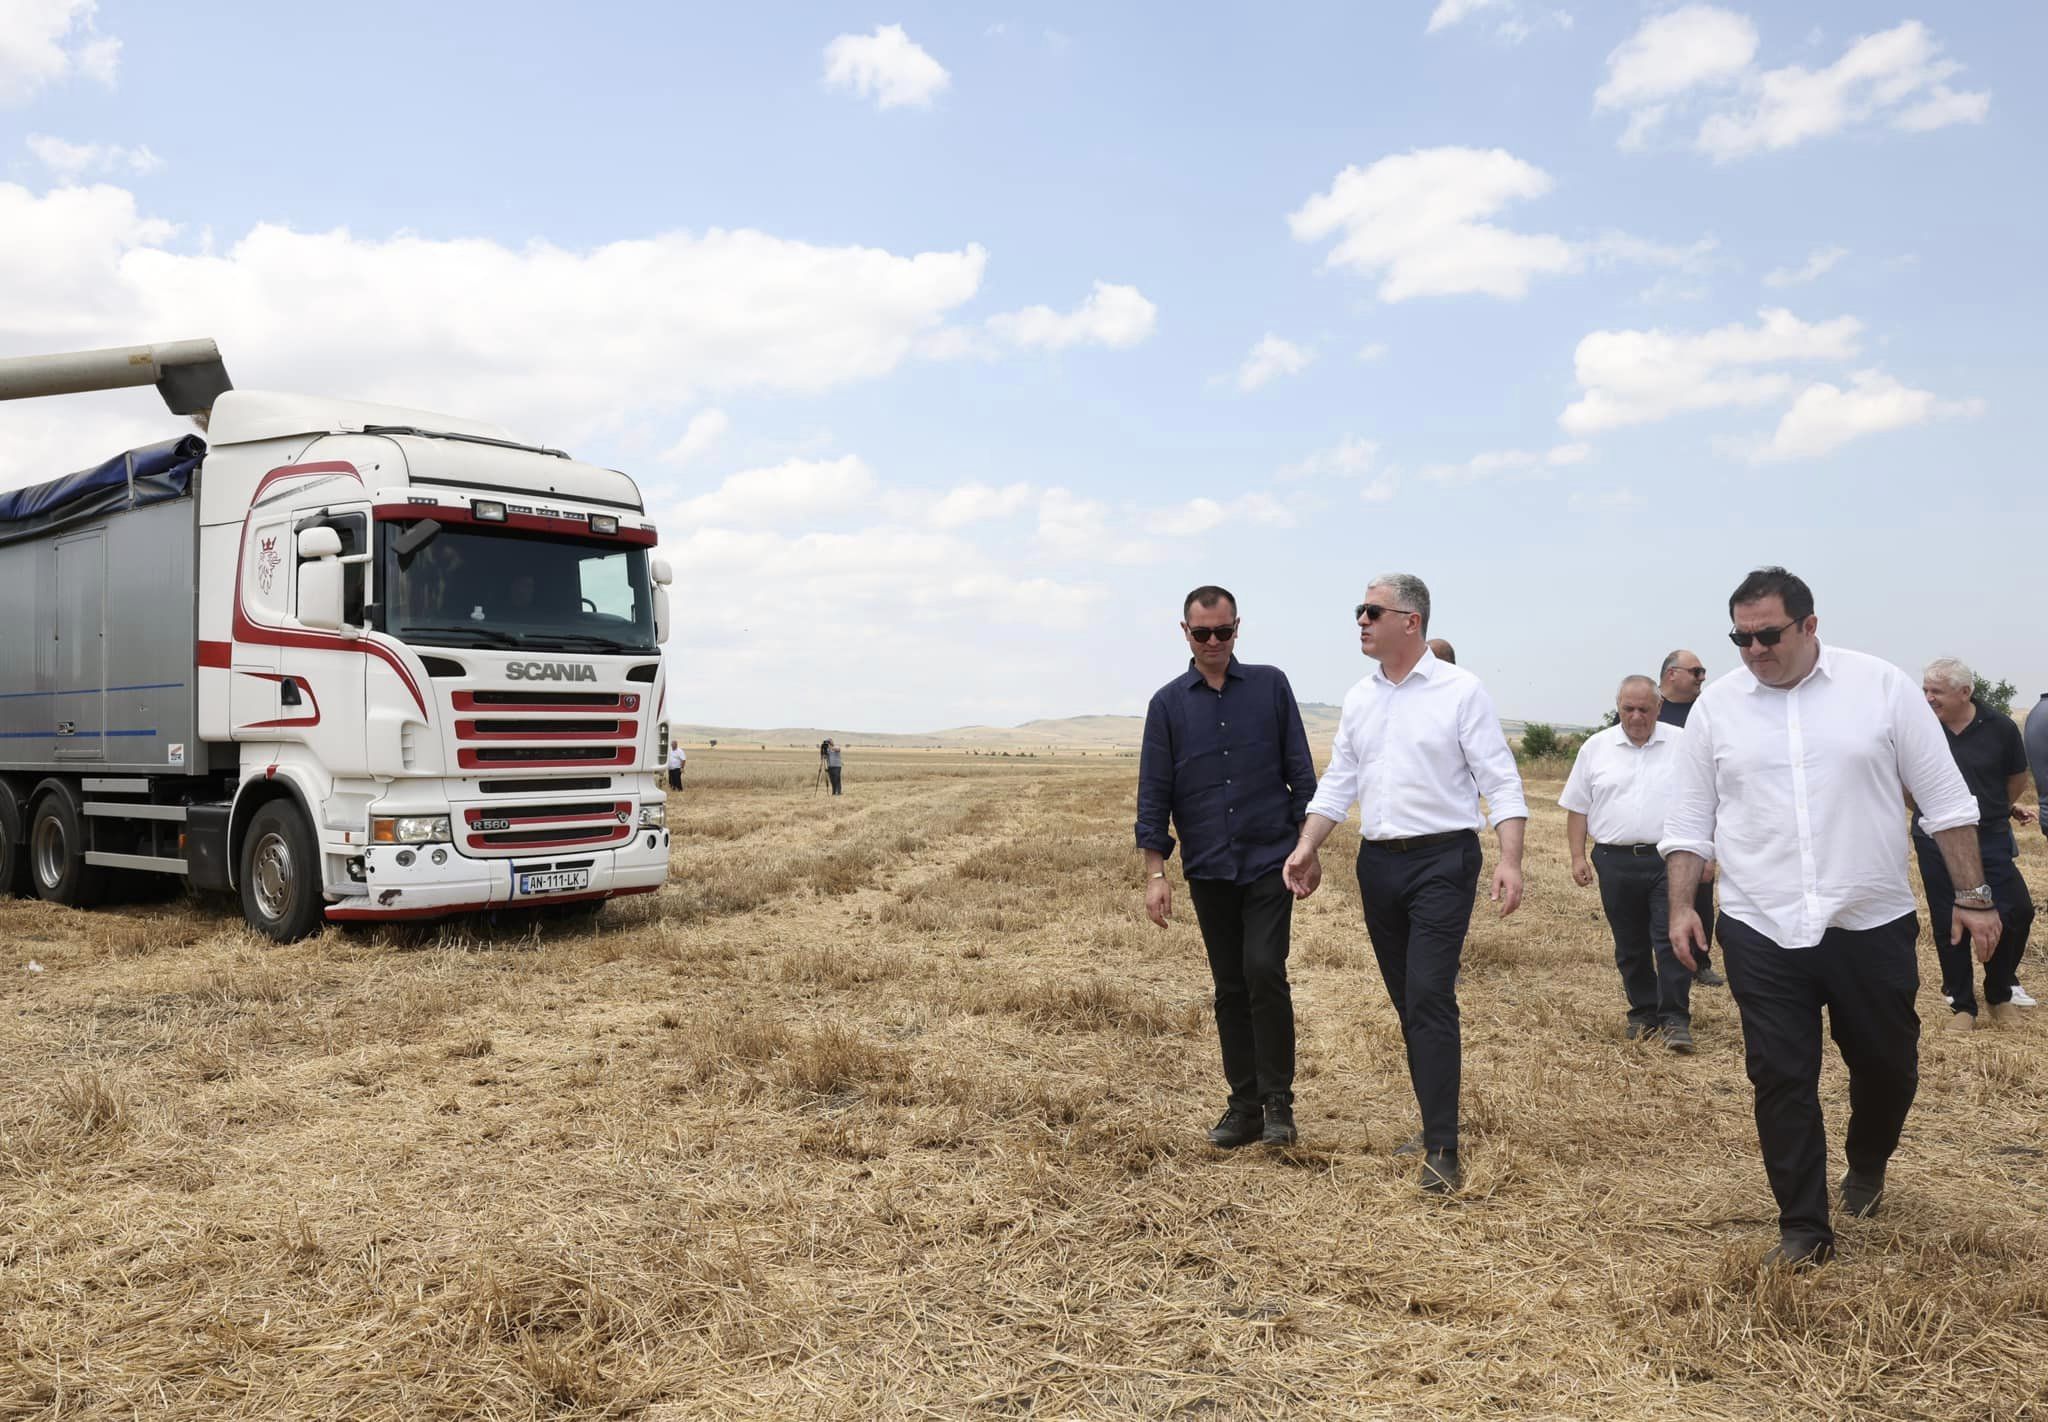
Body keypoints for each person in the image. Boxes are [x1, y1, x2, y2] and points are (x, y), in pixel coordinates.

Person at [1662, 567, 1998, 1268]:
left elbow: (1945, 801)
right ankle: (1804, 1229)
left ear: (1809, 625)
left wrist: (1973, 896)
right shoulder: (1717, 709)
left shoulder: (1881, 688)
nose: (1754, 650)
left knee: (1888, 1067)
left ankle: (1868, 1159)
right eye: (1741, 638)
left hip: (1868, 919)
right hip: (1760, 922)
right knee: (1780, 1076)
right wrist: (1682, 905)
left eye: (1768, 635)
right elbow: (1690, 819)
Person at [1282, 574, 1527, 1194]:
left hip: (1443, 860)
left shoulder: (1461, 691)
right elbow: (1340, 781)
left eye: (1372, 611)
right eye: (1359, 611)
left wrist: (1510, 859)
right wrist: (1308, 846)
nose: (1361, 621)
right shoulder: (1360, 698)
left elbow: (1500, 780)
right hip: (1379, 865)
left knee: (1428, 995)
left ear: (1410, 621)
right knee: (1407, 1001)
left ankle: (1443, 1148)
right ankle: (1433, 1119)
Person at [1136, 585, 1318, 1149]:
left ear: (1238, 627)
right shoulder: (1167, 705)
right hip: (1210, 865)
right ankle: (1245, 1107)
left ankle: (1279, 1103)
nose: (1213, 641)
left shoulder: (1270, 686)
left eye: (1222, 631)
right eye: (1201, 633)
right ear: (1185, 633)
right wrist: (1156, 874)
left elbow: (1300, 772)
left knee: (1264, 969)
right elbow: (1154, 793)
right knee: (1230, 987)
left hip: (1270, 860)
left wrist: (1308, 848)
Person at [1561, 675, 1694, 1051]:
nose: (1636, 716)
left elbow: (1704, 801)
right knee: (1630, 944)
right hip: (1614, 861)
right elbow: (1578, 807)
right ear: (1618, 707)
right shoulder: (1596, 748)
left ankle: (1675, 1018)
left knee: (1671, 939)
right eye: (1628, 709)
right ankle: (1643, 1012)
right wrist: (1577, 856)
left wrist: (1707, 855)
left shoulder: (1683, 745)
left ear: (1659, 708)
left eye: (1644, 709)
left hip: (1669, 860)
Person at [1915, 659, 2035, 1030]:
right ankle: (1962, 1006)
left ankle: (1999, 993)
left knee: (2015, 911)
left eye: (1937, 691)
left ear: (1965, 692)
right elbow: (1907, 784)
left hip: (1990, 835)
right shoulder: (1921, 729)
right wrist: (1938, 818)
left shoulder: (2000, 727)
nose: (1928, 697)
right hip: (1935, 840)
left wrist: (1994, 809)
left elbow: (2016, 778)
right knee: (1948, 919)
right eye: (1925, 690)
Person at [1656, 648, 1725, 988]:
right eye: (1696, 671)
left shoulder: (1706, 712)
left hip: (1694, 821)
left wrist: (1709, 847)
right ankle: (1664, 956)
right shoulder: (1646, 709)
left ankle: (1700, 961)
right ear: (1672, 674)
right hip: (1652, 823)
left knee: (1700, 895)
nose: (1703, 678)